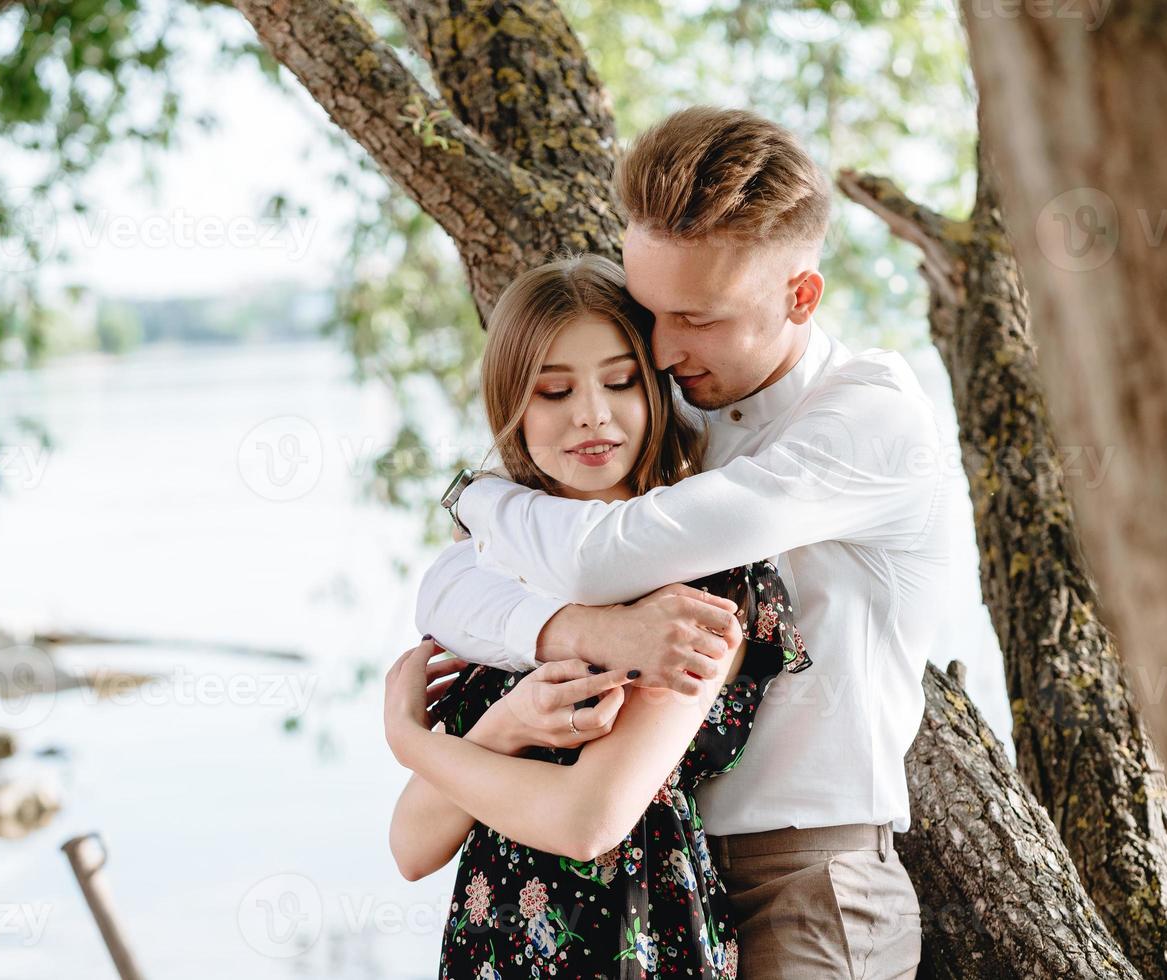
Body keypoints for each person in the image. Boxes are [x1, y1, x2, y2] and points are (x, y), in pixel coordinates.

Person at [417, 107, 948, 978]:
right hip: (660, 875)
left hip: (808, 884)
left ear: (800, 296)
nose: (661, 350)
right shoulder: (677, 410)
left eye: (697, 318)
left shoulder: (867, 421)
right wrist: (578, 633)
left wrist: (478, 497)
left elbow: (592, 556)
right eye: (651, 311)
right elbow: (446, 586)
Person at [383, 253, 811, 979]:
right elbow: (411, 847)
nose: (592, 414)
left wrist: (408, 739)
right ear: (512, 405)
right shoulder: (498, 580)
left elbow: (589, 821)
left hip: (633, 945)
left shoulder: (704, 577)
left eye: (619, 382)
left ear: (654, 390)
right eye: (554, 391)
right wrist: (505, 726)